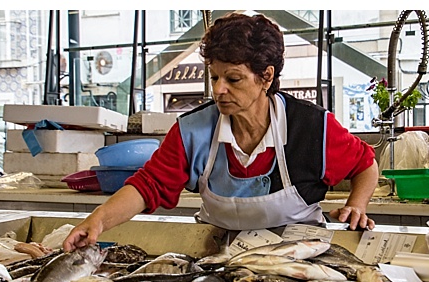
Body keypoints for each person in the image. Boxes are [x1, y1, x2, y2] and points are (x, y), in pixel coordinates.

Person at [62, 13, 378, 244]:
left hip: (299, 257)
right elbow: (149, 185)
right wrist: (97, 221)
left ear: (266, 77)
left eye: (233, 78)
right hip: (218, 258)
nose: (219, 90)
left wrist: (356, 205)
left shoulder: (312, 128)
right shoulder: (193, 130)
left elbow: (365, 164)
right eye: (214, 77)